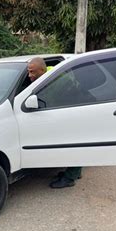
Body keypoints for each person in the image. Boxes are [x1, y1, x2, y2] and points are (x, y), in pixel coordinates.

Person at [27, 57, 82, 189]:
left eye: (32, 72)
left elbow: (46, 100)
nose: (30, 75)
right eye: (29, 72)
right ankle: (75, 172)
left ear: (42, 70)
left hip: (71, 115)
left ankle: (70, 178)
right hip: (66, 114)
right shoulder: (48, 74)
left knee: (72, 144)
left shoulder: (57, 81)